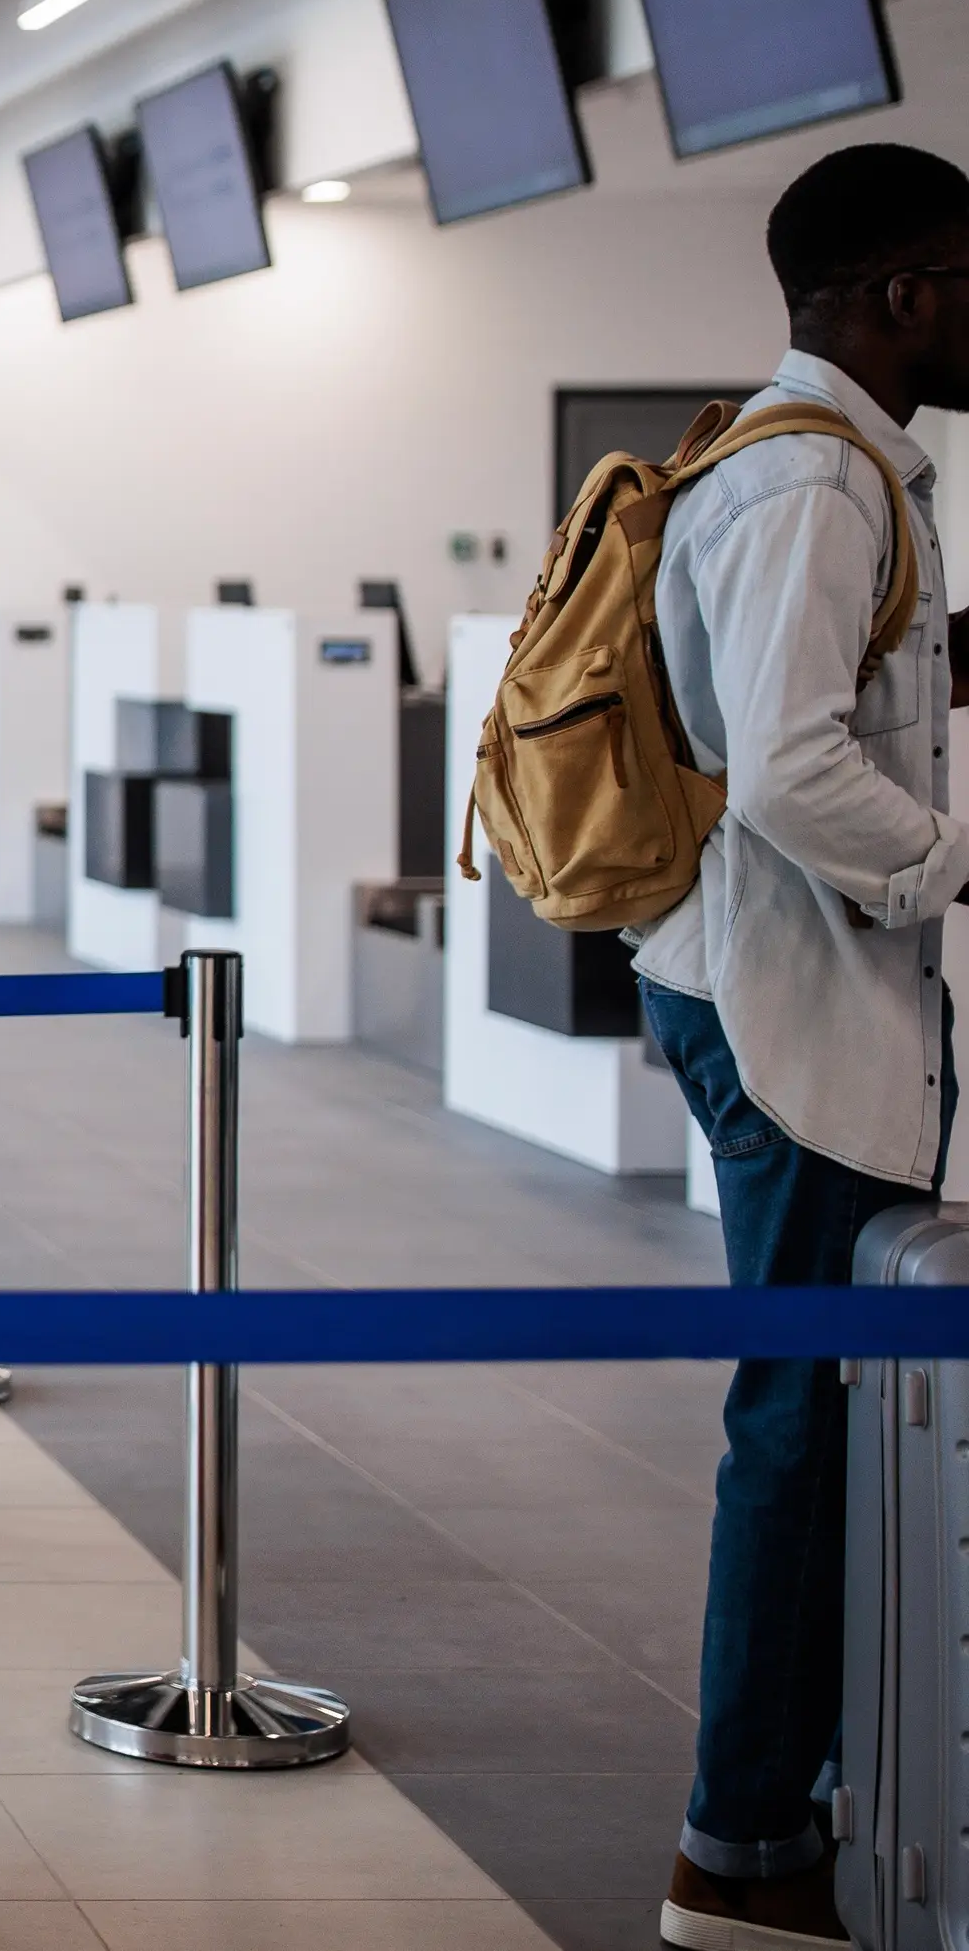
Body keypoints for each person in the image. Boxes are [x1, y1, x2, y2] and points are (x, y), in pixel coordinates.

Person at [640, 143, 969, 1951]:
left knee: (821, 1417)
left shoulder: (825, 473)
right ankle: (739, 1857)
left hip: (781, 989)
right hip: (786, 1004)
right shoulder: (815, 479)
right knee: (801, 1426)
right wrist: (945, 864)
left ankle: (784, 1823)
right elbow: (784, 765)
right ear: (899, 291)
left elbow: (839, 691)